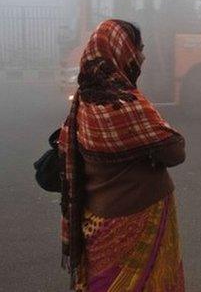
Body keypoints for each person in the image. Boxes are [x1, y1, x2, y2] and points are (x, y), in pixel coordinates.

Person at [58, 19, 186, 291]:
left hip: (96, 218)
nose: (143, 56)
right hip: (139, 215)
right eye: (139, 49)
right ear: (124, 52)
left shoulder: (83, 101)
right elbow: (175, 151)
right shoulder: (126, 103)